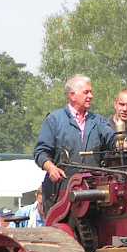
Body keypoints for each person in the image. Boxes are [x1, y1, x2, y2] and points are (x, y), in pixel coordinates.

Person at [34, 75, 117, 211]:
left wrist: (125, 145)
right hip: (60, 193)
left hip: (92, 193)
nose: (91, 96)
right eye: (86, 92)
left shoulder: (98, 121)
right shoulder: (54, 120)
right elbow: (40, 152)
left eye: (91, 92)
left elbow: (112, 139)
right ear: (72, 95)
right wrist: (51, 168)